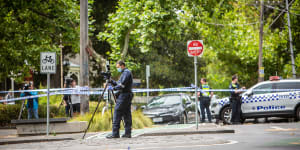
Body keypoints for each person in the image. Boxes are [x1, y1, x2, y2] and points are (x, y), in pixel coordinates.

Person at [106, 60, 133, 139]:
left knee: (117, 112)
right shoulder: (125, 73)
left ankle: (115, 133)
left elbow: (122, 85)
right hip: (127, 95)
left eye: (118, 67)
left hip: (124, 95)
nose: (118, 69)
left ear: (122, 66)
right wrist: (112, 81)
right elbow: (119, 83)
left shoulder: (126, 73)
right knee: (126, 114)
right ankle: (127, 133)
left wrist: (113, 88)